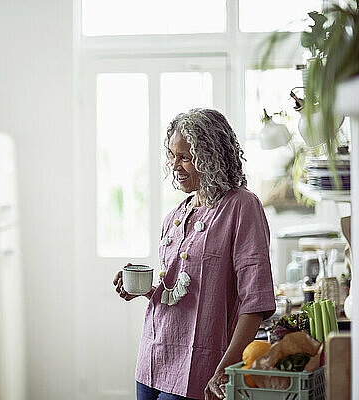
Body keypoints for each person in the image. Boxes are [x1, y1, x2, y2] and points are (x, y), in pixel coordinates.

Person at [113, 108, 276, 400]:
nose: (174, 165)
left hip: (203, 367)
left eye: (185, 157)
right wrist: (142, 289)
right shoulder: (176, 214)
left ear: (211, 156)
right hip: (153, 355)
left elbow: (256, 301)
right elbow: (180, 291)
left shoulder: (242, 206)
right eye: (172, 155)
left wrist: (226, 367)